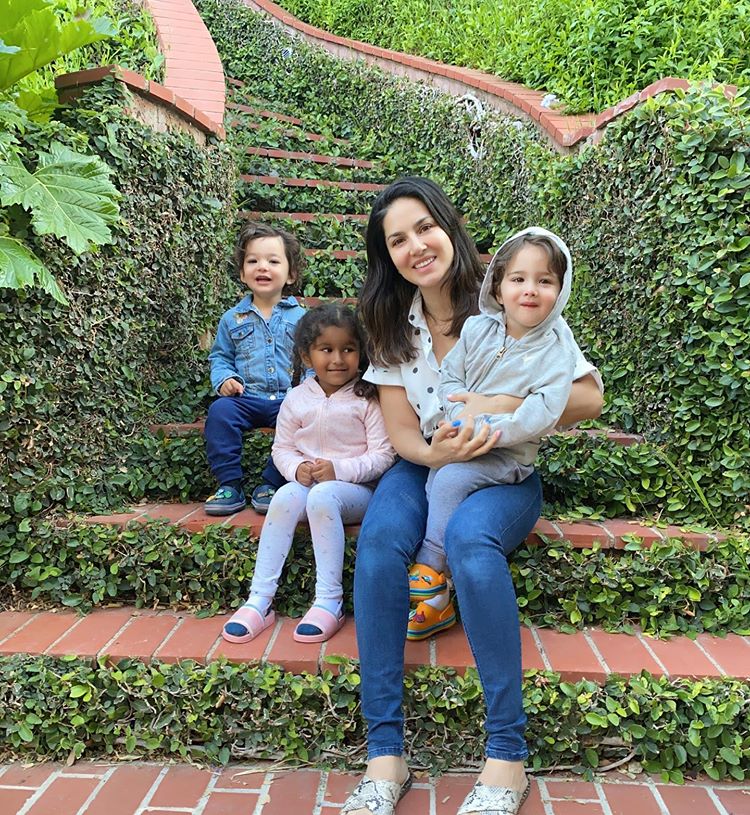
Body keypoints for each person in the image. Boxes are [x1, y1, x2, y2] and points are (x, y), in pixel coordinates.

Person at [340, 178, 603, 815]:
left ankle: (506, 760)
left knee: (470, 543)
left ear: (448, 226)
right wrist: (439, 457)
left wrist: (500, 409)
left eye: (424, 227)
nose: (416, 246)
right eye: (396, 240)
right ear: (387, 255)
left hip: (502, 467)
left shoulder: (512, 289)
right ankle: (384, 758)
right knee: (377, 546)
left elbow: (589, 397)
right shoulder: (388, 322)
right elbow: (403, 431)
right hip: (428, 460)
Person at [406, 227, 576, 641]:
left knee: (449, 478)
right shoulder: (478, 329)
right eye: (518, 279)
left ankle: (430, 565)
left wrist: (489, 427)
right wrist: (458, 411)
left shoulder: (556, 349)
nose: (530, 290)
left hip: (506, 455)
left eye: (545, 281)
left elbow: (542, 412)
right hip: (462, 434)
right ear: (498, 288)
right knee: (436, 479)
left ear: (561, 290)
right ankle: (438, 603)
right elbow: (451, 377)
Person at [222, 303, 395, 644]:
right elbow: (282, 449)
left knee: (322, 495)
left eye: (348, 349)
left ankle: (329, 601)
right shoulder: (297, 398)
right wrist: (296, 469)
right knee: (285, 495)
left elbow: (383, 455)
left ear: (361, 353)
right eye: (326, 350)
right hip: (309, 484)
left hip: (357, 491)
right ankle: (260, 599)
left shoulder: (368, 398)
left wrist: (339, 470)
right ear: (306, 355)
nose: (337, 359)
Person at [203, 221, 305, 516]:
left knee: (304, 422)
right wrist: (226, 379)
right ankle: (229, 485)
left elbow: (313, 359)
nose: (263, 267)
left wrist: (309, 391)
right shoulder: (232, 319)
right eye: (253, 260)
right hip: (244, 398)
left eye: (273, 261)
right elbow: (220, 357)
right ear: (242, 272)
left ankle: (271, 483)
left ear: (291, 273)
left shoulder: (302, 319)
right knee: (220, 413)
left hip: (288, 399)